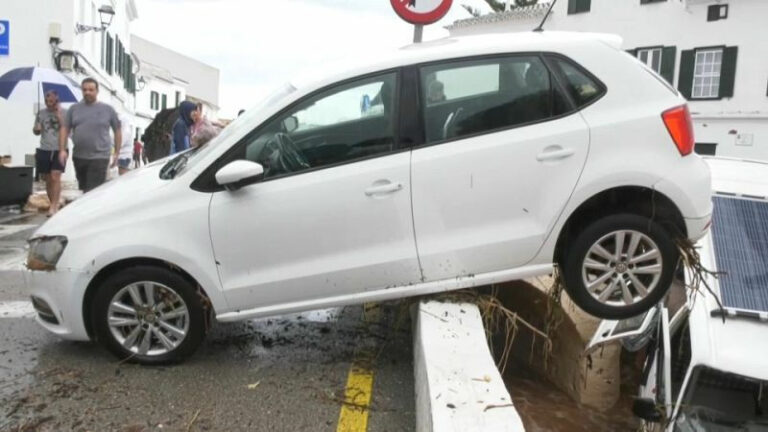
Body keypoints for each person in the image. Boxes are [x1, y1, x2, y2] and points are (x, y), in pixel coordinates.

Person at [58, 78, 121, 192]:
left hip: (100, 157)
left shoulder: (107, 109)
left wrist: (117, 152)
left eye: (91, 90)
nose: (87, 92)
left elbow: (117, 130)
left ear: (97, 91)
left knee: (93, 190)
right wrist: (62, 150)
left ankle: (94, 209)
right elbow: (65, 128)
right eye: (85, 90)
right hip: (79, 156)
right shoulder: (74, 109)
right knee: (83, 188)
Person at [33, 90, 67, 216]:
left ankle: (53, 206)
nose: (49, 104)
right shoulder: (41, 113)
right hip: (44, 148)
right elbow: (36, 131)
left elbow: (67, 129)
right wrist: (36, 129)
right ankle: (54, 202)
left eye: (52, 101)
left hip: (60, 148)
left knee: (55, 176)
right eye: (47, 101)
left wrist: (59, 116)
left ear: (57, 100)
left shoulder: (65, 112)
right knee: (48, 179)